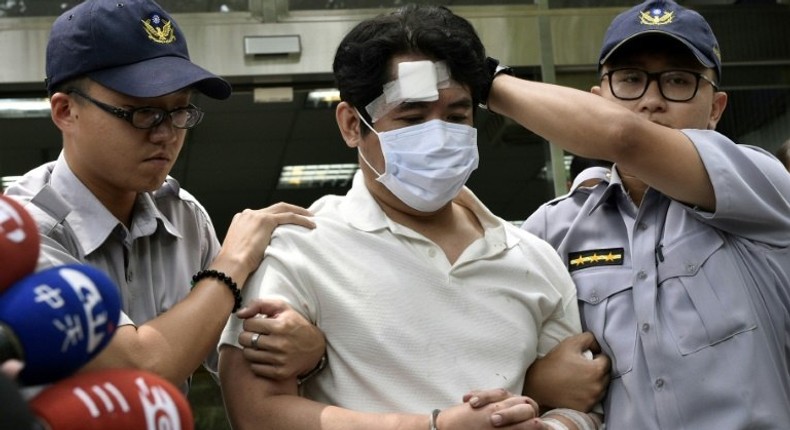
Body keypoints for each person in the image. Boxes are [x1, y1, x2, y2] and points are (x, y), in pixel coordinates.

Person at [218, 4, 607, 430]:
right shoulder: (298, 247)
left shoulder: (531, 258)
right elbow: (257, 414)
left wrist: (551, 428)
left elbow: (582, 402)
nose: (439, 136)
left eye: (457, 116)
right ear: (352, 125)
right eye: (412, 117)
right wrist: (435, 427)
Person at [482, 0, 790, 428]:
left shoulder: (762, 187)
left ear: (716, 109)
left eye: (679, 81)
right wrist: (536, 383)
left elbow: (623, 137)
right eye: (629, 80)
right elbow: (504, 368)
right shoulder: (553, 229)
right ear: (598, 99)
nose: (651, 101)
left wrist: (483, 80)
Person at [3, 0, 325, 390]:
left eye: (179, 110)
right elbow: (138, 372)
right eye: (141, 112)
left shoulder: (184, 216)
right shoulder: (21, 233)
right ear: (66, 111)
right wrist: (232, 263)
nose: (166, 133)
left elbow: (239, 353)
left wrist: (306, 348)